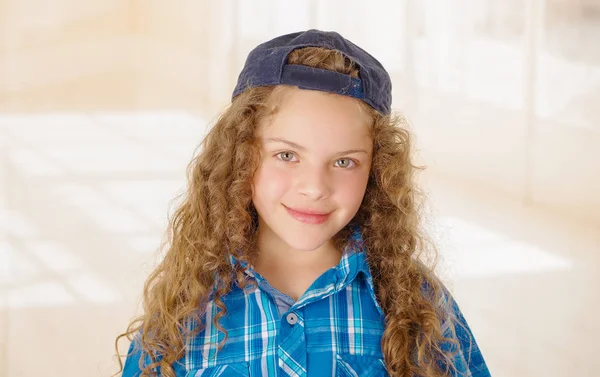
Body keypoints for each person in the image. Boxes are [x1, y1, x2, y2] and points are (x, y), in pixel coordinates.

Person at [115, 29, 491, 377]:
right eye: (287, 155)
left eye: (344, 162)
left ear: (377, 170)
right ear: (240, 155)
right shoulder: (186, 306)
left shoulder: (417, 304)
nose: (314, 187)